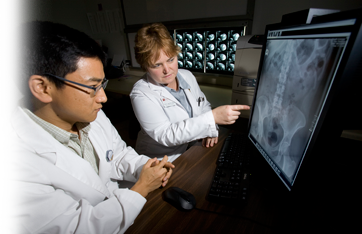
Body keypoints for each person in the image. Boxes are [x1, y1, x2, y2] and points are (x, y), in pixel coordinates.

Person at [9, 21, 174, 234]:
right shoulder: (15, 166)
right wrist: (141, 188)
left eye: (102, 84)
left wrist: (145, 167)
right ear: (42, 87)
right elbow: (77, 228)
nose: (103, 97)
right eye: (92, 87)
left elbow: (118, 154)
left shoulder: (87, 112)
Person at [130, 23, 250, 162]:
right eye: (157, 65)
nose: (167, 70)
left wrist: (211, 129)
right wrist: (212, 119)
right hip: (162, 160)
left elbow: (203, 106)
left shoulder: (186, 76)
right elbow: (166, 135)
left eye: (171, 60)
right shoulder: (141, 93)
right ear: (144, 66)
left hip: (192, 150)